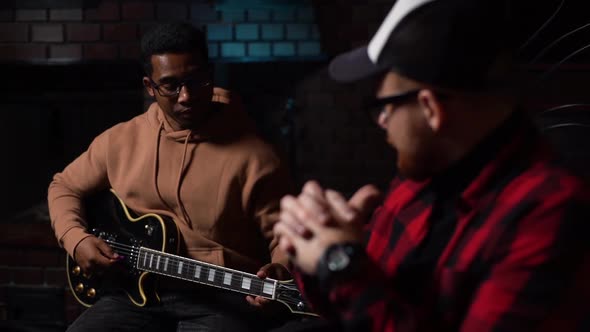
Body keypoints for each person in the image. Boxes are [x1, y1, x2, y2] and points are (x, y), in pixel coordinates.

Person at [274, 0, 590, 331]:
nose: (381, 122)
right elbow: (359, 305)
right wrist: (314, 243)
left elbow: (359, 289)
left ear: (430, 108)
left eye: (384, 107)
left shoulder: (551, 214)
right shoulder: (424, 173)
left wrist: (339, 263)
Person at [48, 22, 297, 331]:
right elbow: (64, 186)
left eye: (196, 80)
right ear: (149, 87)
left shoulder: (258, 156)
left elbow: (286, 234)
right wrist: (77, 239)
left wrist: (281, 269)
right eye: (170, 85)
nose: (186, 96)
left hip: (222, 299)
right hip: (132, 294)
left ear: (211, 73)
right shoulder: (119, 141)